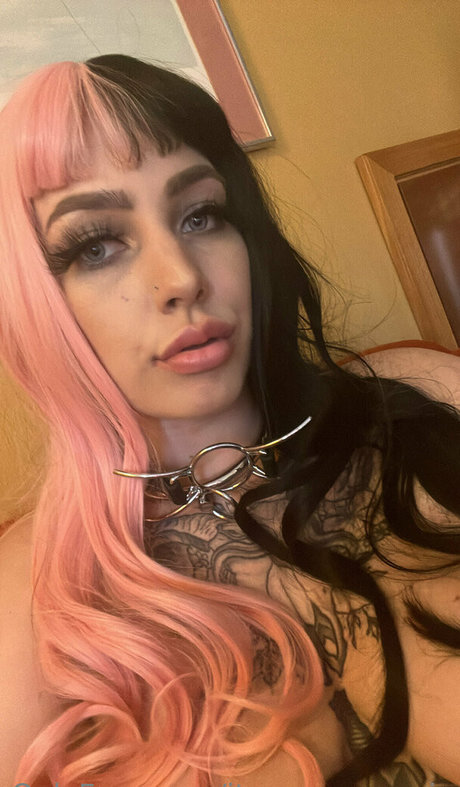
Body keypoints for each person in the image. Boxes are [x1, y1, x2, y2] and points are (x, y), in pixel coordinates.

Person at [0, 54, 459, 787]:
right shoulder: (28, 594)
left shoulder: (424, 396)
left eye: (201, 216)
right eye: (96, 245)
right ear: (32, 299)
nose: (182, 278)